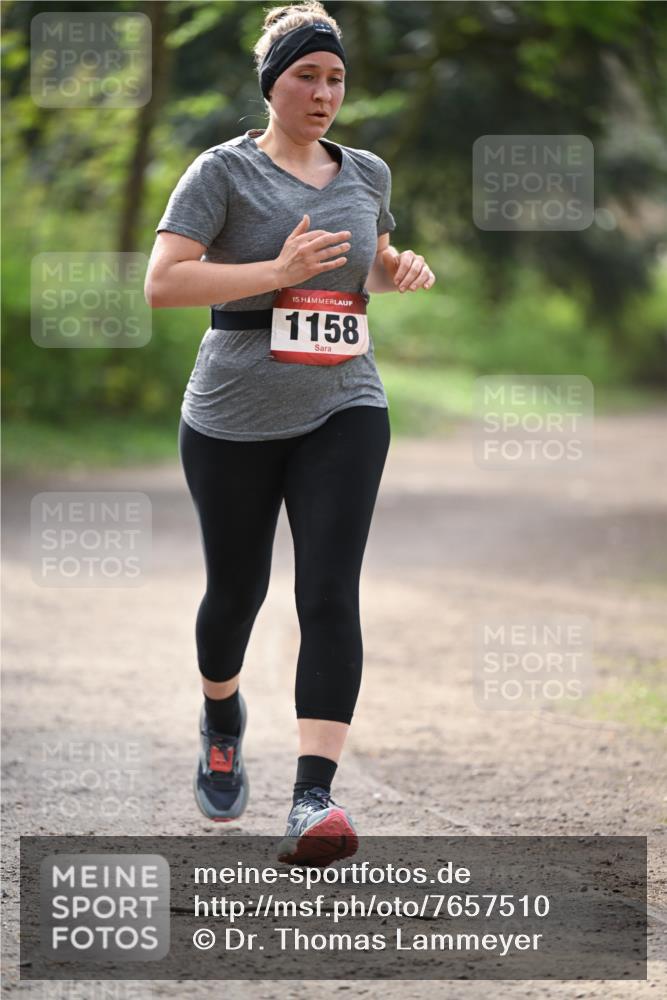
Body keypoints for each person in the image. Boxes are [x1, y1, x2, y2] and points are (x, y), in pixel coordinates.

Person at [145, 1, 435, 867]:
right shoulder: (220, 173)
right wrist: (272, 273)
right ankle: (223, 713)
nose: (323, 93)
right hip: (233, 409)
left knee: (328, 593)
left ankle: (313, 798)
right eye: (306, 76)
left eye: (335, 78)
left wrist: (397, 267)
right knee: (235, 595)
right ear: (272, 83)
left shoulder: (367, 171)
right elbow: (164, 284)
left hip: (343, 401)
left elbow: (370, 265)